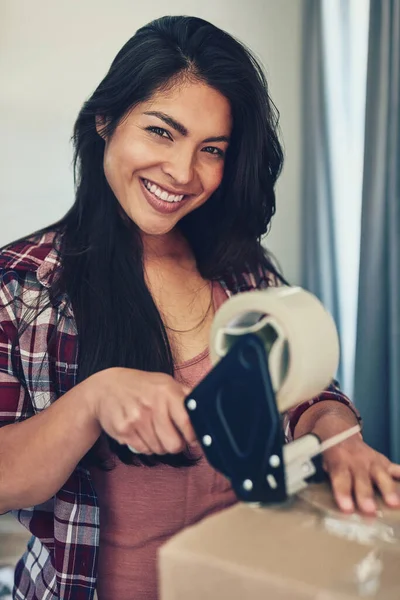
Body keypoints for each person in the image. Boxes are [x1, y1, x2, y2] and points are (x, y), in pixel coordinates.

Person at [0, 14, 399, 600]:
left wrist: (339, 434)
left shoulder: (240, 268)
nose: (183, 173)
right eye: (162, 131)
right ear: (104, 121)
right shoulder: (22, 286)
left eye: (210, 149)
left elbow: (304, 384)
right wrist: (93, 400)